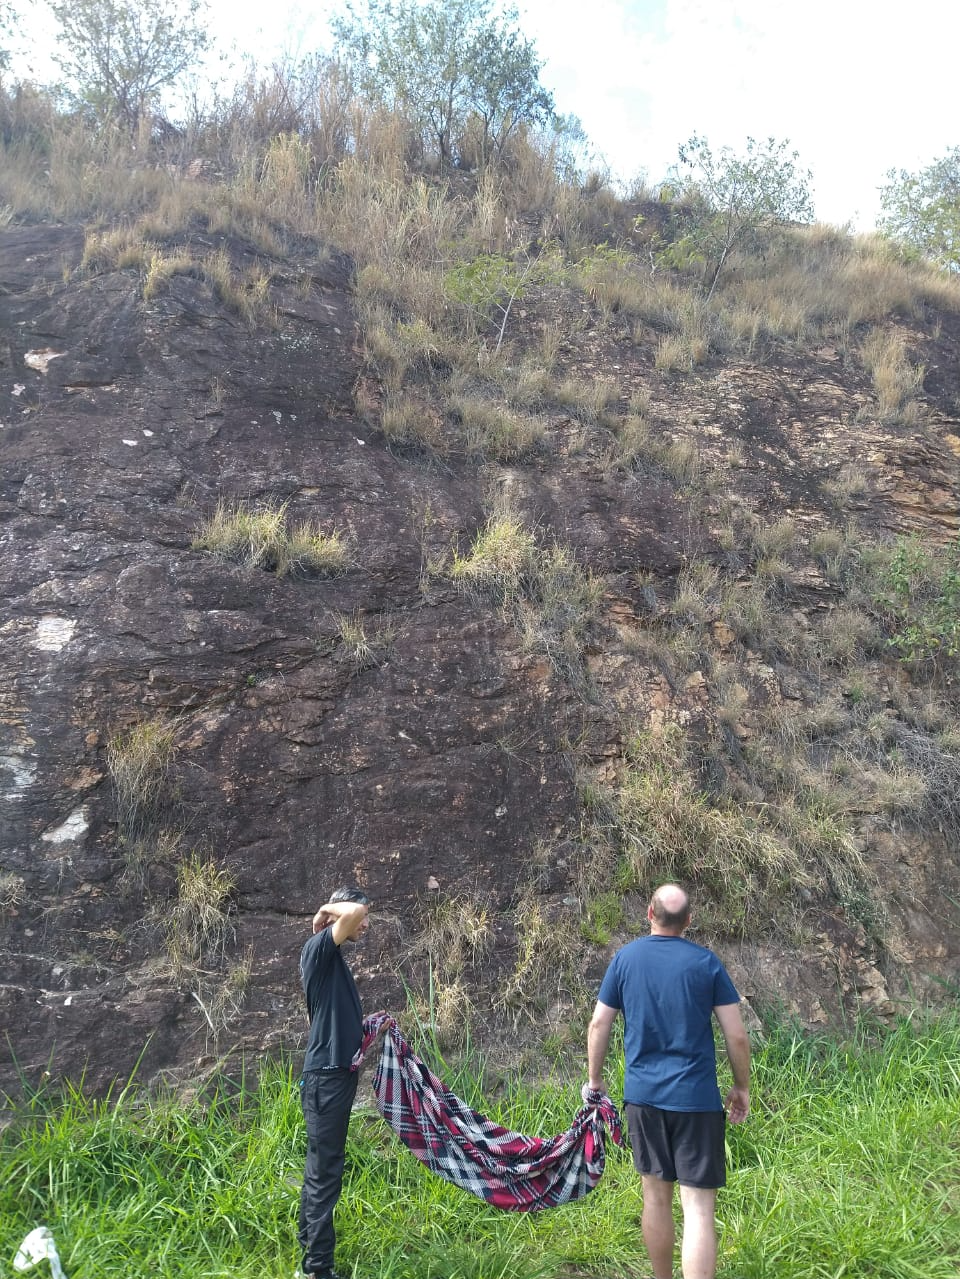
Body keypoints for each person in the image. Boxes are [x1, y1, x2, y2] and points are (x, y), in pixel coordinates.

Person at [585, 883, 750, 1279]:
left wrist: (595, 1081)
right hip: (696, 1100)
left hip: (644, 1099)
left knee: (655, 1200)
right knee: (698, 1209)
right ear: (689, 921)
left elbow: (599, 1023)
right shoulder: (706, 963)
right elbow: (737, 1035)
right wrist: (741, 1087)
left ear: (649, 914)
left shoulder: (625, 959)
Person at [297, 887, 371, 1279]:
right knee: (325, 1174)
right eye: (360, 920)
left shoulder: (331, 958)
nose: (365, 923)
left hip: (331, 1078)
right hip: (326, 1080)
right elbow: (356, 910)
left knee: (319, 1170)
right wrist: (326, 907)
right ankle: (318, 1270)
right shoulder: (317, 948)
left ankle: (307, 1257)